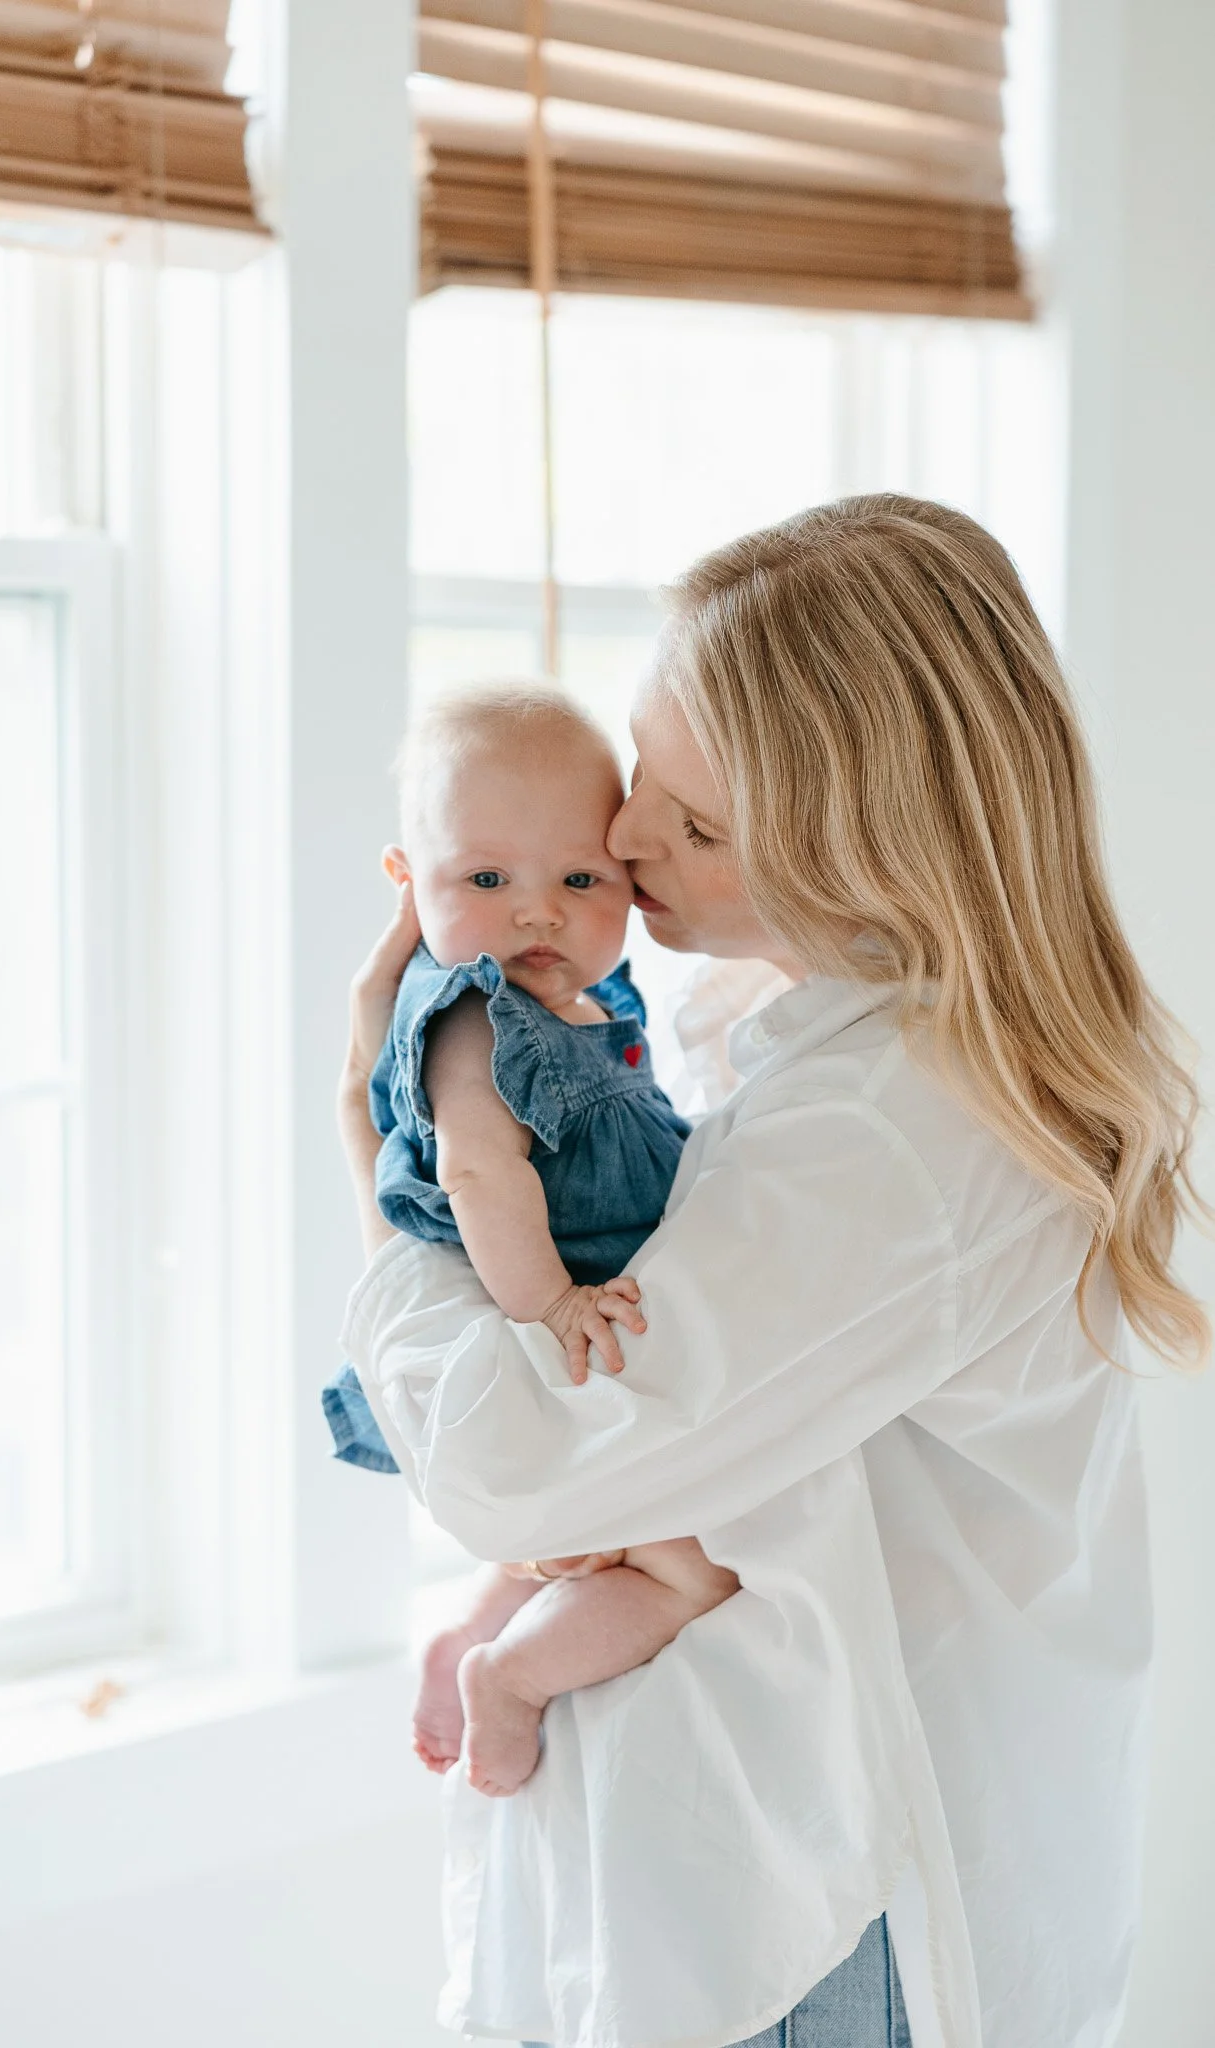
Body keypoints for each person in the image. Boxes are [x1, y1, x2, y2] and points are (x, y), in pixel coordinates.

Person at [338, 497, 1208, 2048]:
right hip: (779, 1864)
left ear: (867, 836)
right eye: (642, 778)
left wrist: (380, 1169)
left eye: (697, 825)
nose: (618, 844)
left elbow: (519, 1464)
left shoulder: (886, 1135)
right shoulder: (798, 1054)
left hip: (810, 1901)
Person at [321, 684, 735, 1796]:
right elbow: (476, 1171)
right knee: (692, 1575)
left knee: (586, 1550)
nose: (537, 913)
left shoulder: (599, 1004)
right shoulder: (471, 1015)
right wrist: (551, 1306)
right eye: (487, 879)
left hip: (583, 1316)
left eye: (580, 879)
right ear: (410, 883)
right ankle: (510, 1676)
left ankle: (472, 1633)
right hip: (546, 1321)